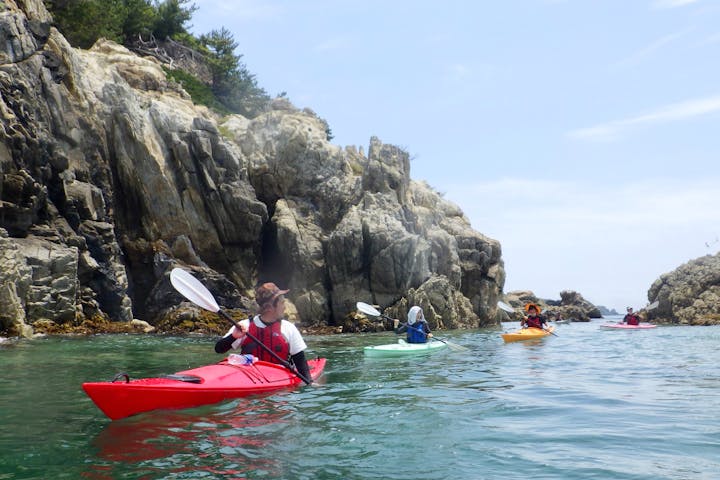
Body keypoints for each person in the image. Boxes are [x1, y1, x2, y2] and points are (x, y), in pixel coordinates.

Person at [214, 282, 312, 383]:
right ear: (269, 307)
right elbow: (219, 349)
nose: (284, 307)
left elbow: (300, 360)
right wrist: (233, 336)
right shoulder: (244, 326)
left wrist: (310, 382)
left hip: (279, 381)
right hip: (249, 378)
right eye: (282, 303)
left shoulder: (288, 328)